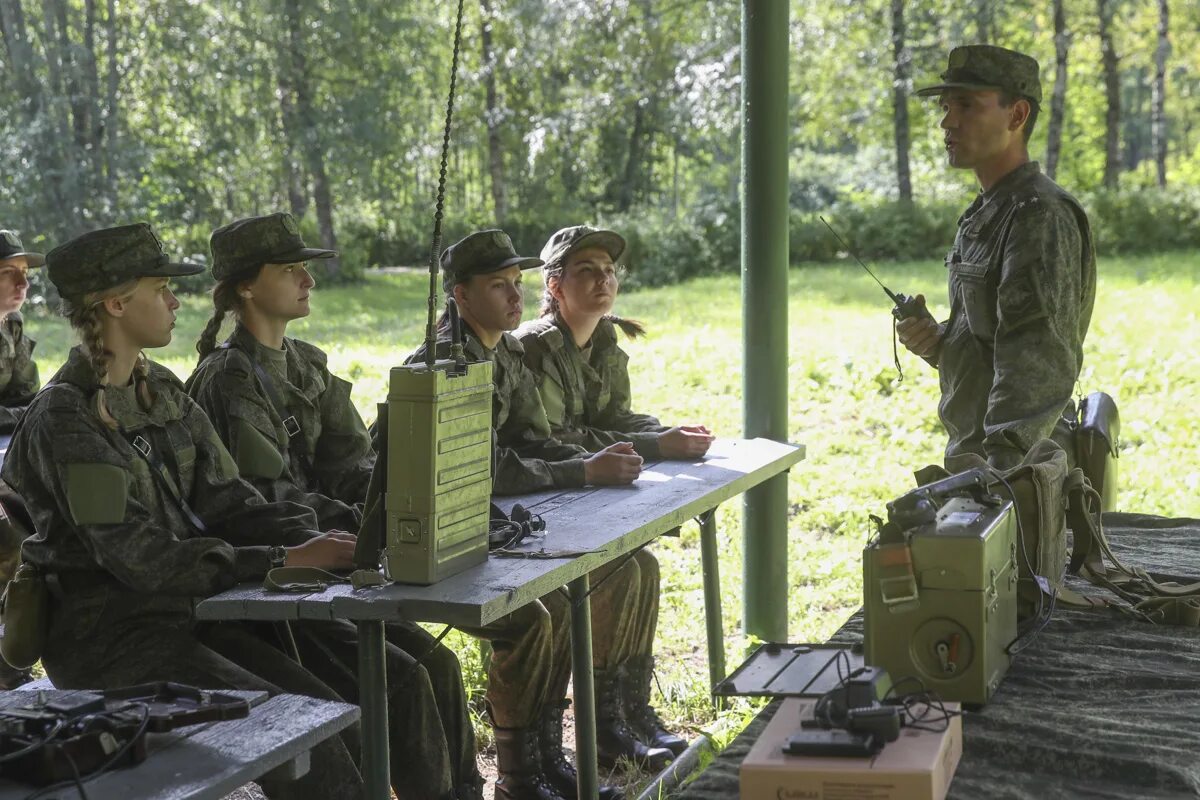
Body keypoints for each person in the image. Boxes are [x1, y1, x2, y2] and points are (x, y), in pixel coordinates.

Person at [0, 222, 368, 798]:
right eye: (160, 288)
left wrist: (345, 530)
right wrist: (277, 557)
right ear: (117, 303)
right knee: (299, 735)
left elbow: (230, 499)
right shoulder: (65, 419)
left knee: (322, 711)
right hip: (111, 640)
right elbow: (138, 557)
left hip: (187, 614)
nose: (176, 301)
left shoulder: (160, 389)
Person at [183, 212, 480, 798]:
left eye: (305, 269)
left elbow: (358, 465)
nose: (308, 280)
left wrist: (404, 505)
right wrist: (354, 526)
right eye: (290, 270)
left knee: (439, 669)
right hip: (280, 579)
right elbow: (263, 500)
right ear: (247, 286)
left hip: (338, 560)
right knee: (403, 681)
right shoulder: (227, 380)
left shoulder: (306, 365)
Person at [410, 229, 675, 794]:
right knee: (543, 607)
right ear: (459, 296)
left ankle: (553, 757)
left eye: (516, 283)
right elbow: (478, 467)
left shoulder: (502, 350)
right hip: (432, 531)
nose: (514, 296)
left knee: (624, 568)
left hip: (491, 521)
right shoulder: (447, 364)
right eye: (497, 285)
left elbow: (535, 442)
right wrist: (581, 470)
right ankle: (522, 774)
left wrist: (594, 459)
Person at [514, 224, 710, 756]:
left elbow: (614, 417)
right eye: (586, 272)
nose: (603, 281)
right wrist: (657, 444)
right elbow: (559, 440)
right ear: (554, 287)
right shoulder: (533, 350)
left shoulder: (602, 339)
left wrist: (667, 431)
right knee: (618, 571)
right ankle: (599, 733)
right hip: (535, 501)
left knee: (640, 566)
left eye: (608, 271)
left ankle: (623, 715)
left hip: (580, 495)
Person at [897, 44, 1096, 471]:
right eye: (947, 107)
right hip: (979, 459)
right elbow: (994, 336)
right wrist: (941, 341)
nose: (946, 121)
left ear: (1017, 115)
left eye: (966, 105)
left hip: (1017, 472)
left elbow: (1037, 362)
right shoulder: (990, 210)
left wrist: (1000, 476)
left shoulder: (1037, 214)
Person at [0, 229, 43, 689]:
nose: (22, 283)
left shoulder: (11, 327)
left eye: (24, 275)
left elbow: (27, 400)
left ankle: (13, 659)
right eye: (9, 273)